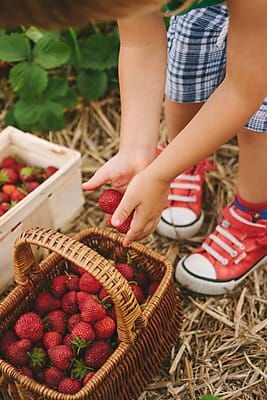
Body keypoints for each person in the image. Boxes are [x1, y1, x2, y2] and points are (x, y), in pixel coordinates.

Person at [82, 0, 267, 295]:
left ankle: (253, 220)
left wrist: (158, 176)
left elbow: (244, 89)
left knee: (260, 125)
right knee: (185, 75)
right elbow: (140, 44)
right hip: (204, 6)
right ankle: (182, 160)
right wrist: (135, 149)